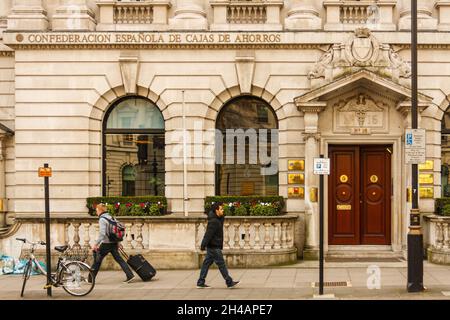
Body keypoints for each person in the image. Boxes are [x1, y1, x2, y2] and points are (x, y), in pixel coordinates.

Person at [197, 202, 239, 289]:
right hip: (214, 246)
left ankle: (200, 282)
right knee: (221, 264)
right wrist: (203, 245)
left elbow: (222, 218)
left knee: (206, 264)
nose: (223, 210)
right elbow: (208, 235)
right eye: (221, 209)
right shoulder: (214, 222)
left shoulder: (217, 219)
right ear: (216, 211)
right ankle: (229, 282)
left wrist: (221, 213)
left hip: (212, 246)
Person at [90, 203, 135, 283]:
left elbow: (102, 234)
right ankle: (130, 275)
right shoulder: (111, 217)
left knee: (97, 260)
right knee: (120, 260)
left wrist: (96, 244)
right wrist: (118, 242)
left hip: (106, 243)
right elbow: (116, 230)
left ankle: (91, 279)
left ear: (100, 210)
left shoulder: (102, 219)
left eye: (97, 210)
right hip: (113, 242)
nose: (96, 212)